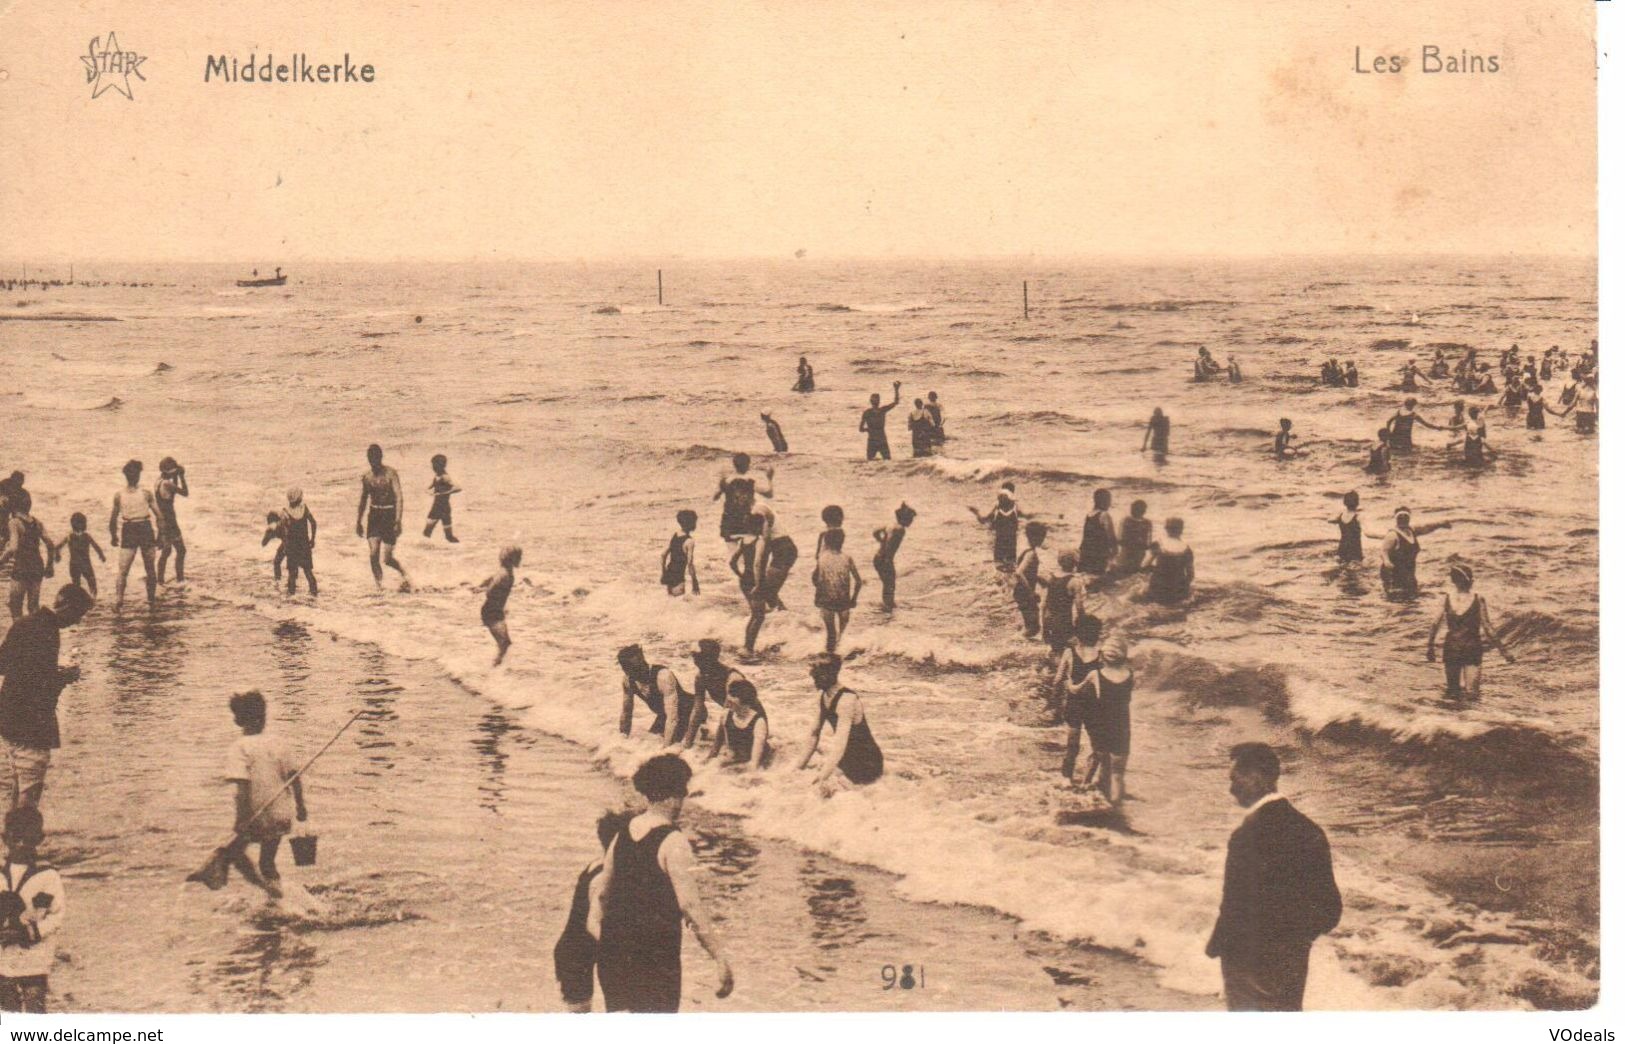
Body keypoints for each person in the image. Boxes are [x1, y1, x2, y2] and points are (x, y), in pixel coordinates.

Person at [591, 754, 733, 1012]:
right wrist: (719, 956)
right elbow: (690, 906)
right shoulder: (673, 841)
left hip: (613, 952)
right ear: (674, 794)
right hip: (654, 955)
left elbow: (601, 894)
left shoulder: (622, 833)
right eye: (683, 791)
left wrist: (608, 939)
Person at [1206, 743, 1342, 1011]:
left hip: (1247, 962)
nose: (1231, 789)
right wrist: (1295, 942)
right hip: (1291, 963)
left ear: (1259, 778)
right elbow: (1330, 909)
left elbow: (1234, 907)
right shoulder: (1309, 830)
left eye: (1235, 779)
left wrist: (1217, 947)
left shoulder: (1246, 836)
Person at [0, 586, 91, 808]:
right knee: (30, 789)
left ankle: (12, 836)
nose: (77, 622)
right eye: (78, 615)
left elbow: (3, 664)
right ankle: (23, 839)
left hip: (9, 714)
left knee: (20, 780)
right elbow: (39, 685)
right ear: (67, 607)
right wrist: (65, 677)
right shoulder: (47, 632)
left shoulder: (24, 622)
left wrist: (52, 671)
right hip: (32, 720)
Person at [220, 690, 307, 901]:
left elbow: (242, 789)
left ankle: (271, 893)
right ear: (264, 717)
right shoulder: (278, 743)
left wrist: (240, 820)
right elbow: (294, 777)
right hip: (280, 813)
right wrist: (301, 807)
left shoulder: (239, 748)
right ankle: (278, 899)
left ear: (237, 720)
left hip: (256, 814)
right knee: (267, 862)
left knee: (232, 853)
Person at [553, 810, 632, 1012]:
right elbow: (592, 922)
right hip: (575, 954)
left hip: (575, 949)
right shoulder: (603, 878)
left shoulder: (599, 864)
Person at [0, 806, 62, 1014]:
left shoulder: (47, 876)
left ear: (39, 838)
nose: (21, 844)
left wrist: (31, 932)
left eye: (28, 839)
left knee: (35, 1004)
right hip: (3, 954)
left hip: (35, 954)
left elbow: (55, 916)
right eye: (16, 838)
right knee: (8, 1007)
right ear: (5, 838)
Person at [796, 653, 884, 792]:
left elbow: (839, 745)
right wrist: (797, 769)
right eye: (814, 676)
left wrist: (822, 776)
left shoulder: (846, 700)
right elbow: (814, 734)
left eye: (818, 676)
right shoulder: (824, 696)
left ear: (831, 674)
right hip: (846, 759)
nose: (815, 680)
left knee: (824, 791)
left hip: (867, 762)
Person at [1426, 564, 1513, 700]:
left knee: (1452, 692)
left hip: (1452, 647)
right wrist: (1504, 652)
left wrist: (1430, 647)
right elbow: (1488, 628)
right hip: (1472, 648)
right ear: (1471, 581)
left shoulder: (1446, 599)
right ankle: (1471, 718)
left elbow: (1434, 624)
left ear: (1453, 581)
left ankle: (1450, 718)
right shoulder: (1478, 599)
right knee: (1472, 694)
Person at [1077, 637, 1133, 805]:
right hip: (1122, 724)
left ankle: (1088, 789)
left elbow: (1076, 690)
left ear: (1102, 656)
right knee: (1118, 773)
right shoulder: (1130, 674)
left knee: (1099, 757)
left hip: (1102, 723)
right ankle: (1116, 806)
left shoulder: (1095, 674)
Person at [1054, 614, 1104, 783]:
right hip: (1095, 707)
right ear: (1097, 634)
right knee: (1098, 749)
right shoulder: (1102, 656)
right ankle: (1086, 783)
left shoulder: (1069, 652)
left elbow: (1058, 679)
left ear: (1077, 633)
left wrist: (1058, 697)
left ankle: (1066, 781)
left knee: (1072, 747)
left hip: (1074, 704)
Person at [616, 645, 694, 748]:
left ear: (643, 660)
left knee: (678, 748)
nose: (632, 673)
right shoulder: (628, 681)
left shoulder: (663, 676)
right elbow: (626, 712)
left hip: (691, 711)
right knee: (650, 743)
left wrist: (666, 749)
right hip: (665, 715)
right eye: (627, 670)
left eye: (636, 668)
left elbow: (673, 718)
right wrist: (621, 742)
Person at [355, 445, 410, 590]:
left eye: (375, 459)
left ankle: (405, 575)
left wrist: (398, 520)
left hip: (389, 515)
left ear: (380, 458)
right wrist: (358, 521)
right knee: (373, 554)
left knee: (387, 559)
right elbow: (363, 500)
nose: (373, 462)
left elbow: (399, 497)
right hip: (374, 516)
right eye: (370, 460)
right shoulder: (367, 477)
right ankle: (380, 587)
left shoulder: (391, 474)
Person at [108, 459, 159, 608]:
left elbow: (160, 516)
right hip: (134, 528)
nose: (133, 476)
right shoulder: (123, 495)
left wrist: (113, 535)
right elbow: (160, 516)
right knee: (128, 569)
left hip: (139, 528)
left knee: (138, 568)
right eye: (132, 473)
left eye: (134, 473)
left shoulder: (143, 493)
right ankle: (121, 601)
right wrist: (113, 535)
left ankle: (147, 600)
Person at [0, 494, 50, 621]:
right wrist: (50, 565)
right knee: (33, 607)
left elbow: (13, 548)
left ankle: (20, 637)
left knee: (15, 607)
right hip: (38, 566)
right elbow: (50, 544)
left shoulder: (14, 522)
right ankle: (35, 636)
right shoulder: (38, 523)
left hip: (22, 566)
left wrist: (1, 561)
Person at [811, 529, 862, 654]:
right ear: (842, 542)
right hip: (843, 601)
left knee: (831, 633)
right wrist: (854, 599)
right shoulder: (847, 558)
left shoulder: (822, 558)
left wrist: (819, 592)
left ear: (826, 543)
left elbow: (814, 578)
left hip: (826, 600)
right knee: (842, 635)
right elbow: (858, 582)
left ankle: (829, 658)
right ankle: (840, 656)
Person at [688, 639, 748, 745]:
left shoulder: (732, 677)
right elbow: (697, 710)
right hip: (734, 719)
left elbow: (727, 715)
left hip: (749, 720)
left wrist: (714, 751)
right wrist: (687, 743)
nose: (695, 662)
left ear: (708, 659)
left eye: (697, 658)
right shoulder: (701, 677)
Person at [704, 677, 772, 769]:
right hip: (740, 759)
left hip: (760, 761)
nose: (728, 700)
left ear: (744, 700)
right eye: (729, 694)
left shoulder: (758, 722)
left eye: (733, 695)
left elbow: (754, 764)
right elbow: (730, 750)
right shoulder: (726, 715)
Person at [477, 546, 522, 666]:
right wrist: (496, 598)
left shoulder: (503, 571)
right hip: (492, 612)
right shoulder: (505, 575)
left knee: (504, 643)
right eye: (519, 556)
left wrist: (479, 587)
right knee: (505, 643)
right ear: (512, 558)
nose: (520, 559)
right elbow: (490, 591)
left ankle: (493, 668)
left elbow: (490, 579)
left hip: (494, 610)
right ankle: (490, 670)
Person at [714, 453, 773, 541]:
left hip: (728, 522)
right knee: (748, 550)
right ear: (747, 465)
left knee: (733, 552)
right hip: (745, 521)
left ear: (734, 465)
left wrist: (720, 482)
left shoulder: (727, 481)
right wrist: (770, 478)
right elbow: (769, 494)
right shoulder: (750, 482)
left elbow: (715, 497)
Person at [871, 503, 914, 611]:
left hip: (878, 557)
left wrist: (881, 541)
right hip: (885, 559)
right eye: (911, 518)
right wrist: (887, 559)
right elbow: (890, 545)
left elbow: (875, 531)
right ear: (905, 518)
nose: (911, 521)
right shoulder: (900, 529)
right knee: (890, 584)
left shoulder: (890, 525)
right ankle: (888, 606)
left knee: (887, 584)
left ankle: (887, 605)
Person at [154, 457, 189, 584]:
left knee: (166, 551)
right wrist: (182, 477)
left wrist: (176, 475)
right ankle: (180, 579)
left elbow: (171, 493)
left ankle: (160, 581)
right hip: (170, 521)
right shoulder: (167, 484)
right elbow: (185, 492)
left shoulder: (159, 481)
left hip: (162, 520)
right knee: (181, 550)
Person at [1011, 521, 1049, 638]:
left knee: (1031, 624)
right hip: (1024, 592)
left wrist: (1039, 579)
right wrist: (1031, 592)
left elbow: (1026, 572)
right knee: (1033, 627)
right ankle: (1017, 641)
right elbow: (1019, 573)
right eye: (1043, 537)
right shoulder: (1031, 553)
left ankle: (1020, 636)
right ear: (1038, 537)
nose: (1043, 540)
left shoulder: (1026, 550)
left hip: (1020, 591)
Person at [969, 483, 1022, 568]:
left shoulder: (996, 508)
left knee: (999, 565)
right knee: (1011, 565)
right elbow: (1027, 517)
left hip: (999, 543)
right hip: (1011, 543)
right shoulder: (1016, 507)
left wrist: (976, 513)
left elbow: (983, 520)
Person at [1041, 551, 1083, 654]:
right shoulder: (1075, 582)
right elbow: (1079, 607)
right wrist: (1083, 623)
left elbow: (1043, 604)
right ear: (1075, 564)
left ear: (1059, 562)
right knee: (1074, 649)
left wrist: (1043, 626)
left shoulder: (1051, 578)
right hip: (1063, 621)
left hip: (1048, 618)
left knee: (1055, 649)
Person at [1145, 517, 1194, 605]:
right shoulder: (1187, 549)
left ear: (1166, 529)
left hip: (1159, 585)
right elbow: (1190, 575)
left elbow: (1145, 565)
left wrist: (1155, 571)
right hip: (1177, 587)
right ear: (1181, 530)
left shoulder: (1159, 544)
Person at [54, 514, 103, 599]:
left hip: (76, 563)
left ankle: (84, 598)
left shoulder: (71, 536)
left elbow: (58, 547)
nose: (83, 525)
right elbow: (58, 547)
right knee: (89, 581)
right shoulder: (82, 536)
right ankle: (90, 597)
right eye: (82, 523)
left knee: (81, 582)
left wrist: (101, 554)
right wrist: (101, 555)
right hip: (83, 564)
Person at [280, 488, 318, 595]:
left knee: (292, 575)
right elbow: (314, 523)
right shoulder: (304, 508)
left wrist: (285, 547)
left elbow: (285, 533)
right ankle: (314, 595)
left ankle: (291, 598)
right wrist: (312, 539)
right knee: (308, 573)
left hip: (292, 546)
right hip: (304, 545)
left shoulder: (285, 512)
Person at [1379, 508, 1421, 598]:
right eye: (1400, 518)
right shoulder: (1393, 535)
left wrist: (1441, 524)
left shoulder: (1411, 531)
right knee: (1397, 597)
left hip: (1409, 570)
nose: (1403, 520)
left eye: (1405, 518)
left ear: (1409, 519)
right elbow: (1383, 550)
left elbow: (1426, 528)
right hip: (1394, 571)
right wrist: (1386, 561)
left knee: (1412, 594)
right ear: (1396, 519)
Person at [1077, 489, 1118, 576]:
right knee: (1098, 578)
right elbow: (1111, 536)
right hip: (1099, 553)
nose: (1110, 504)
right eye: (1108, 500)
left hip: (1086, 551)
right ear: (1103, 501)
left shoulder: (1089, 515)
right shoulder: (1104, 515)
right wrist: (1115, 552)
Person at [858, 381, 903, 460]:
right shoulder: (882, 410)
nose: (877, 401)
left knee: (870, 461)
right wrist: (896, 389)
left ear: (870, 402)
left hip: (873, 439)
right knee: (887, 460)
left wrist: (869, 429)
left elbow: (861, 429)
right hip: (881, 439)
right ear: (878, 401)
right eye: (877, 400)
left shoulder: (868, 412)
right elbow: (896, 402)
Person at [660, 510, 700, 597]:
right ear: (691, 523)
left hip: (669, 573)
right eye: (695, 522)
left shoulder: (675, 535)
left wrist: (664, 573)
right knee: (679, 602)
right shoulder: (689, 541)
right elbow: (690, 564)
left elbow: (663, 555)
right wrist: (695, 581)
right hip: (678, 577)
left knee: (671, 602)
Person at [423, 454, 460, 543]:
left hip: (442, 506)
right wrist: (430, 492)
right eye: (432, 465)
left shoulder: (445, 477)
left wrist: (443, 493)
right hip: (438, 505)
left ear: (441, 465)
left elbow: (458, 488)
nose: (433, 467)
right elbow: (428, 488)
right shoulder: (437, 476)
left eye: (434, 465)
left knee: (428, 533)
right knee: (429, 533)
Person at [1114, 500, 1153, 576]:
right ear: (1144, 511)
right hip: (1137, 556)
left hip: (1127, 556)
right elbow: (1148, 544)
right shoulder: (1148, 523)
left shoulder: (1125, 520)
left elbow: (1119, 539)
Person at [1330, 491, 1362, 564]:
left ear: (1344, 503)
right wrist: (1383, 536)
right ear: (1357, 503)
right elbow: (1368, 533)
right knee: (1355, 569)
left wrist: (1337, 520)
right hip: (1354, 549)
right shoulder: (1358, 517)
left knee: (1341, 566)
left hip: (1342, 547)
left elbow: (1330, 520)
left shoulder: (1341, 515)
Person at [262, 511, 287, 582]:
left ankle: (278, 580)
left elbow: (264, 543)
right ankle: (279, 580)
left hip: (289, 543)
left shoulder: (274, 527)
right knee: (278, 562)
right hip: (294, 541)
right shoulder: (282, 521)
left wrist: (268, 533)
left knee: (277, 562)